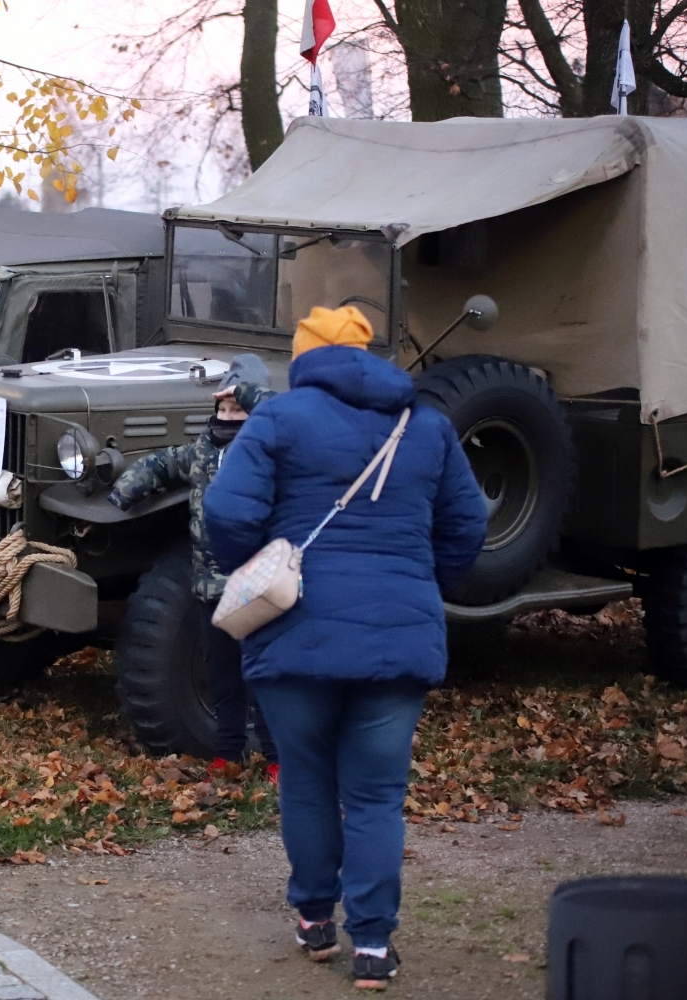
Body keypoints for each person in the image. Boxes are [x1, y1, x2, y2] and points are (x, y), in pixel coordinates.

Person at [202, 307, 486, 990]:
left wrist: (262, 560)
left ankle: (315, 920)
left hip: (295, 632)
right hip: (399, 635)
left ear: (303, 358)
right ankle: (375, 946)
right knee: (377, 795)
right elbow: (470, 522)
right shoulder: (428, 425)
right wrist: (418, 579)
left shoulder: (278, 419)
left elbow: (227, 512)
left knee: (305, 780)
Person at [107, 354, 279, 778]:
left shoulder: (271, 450)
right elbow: (163, 465)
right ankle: (229, 752)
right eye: (222, 408)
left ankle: (278, 758)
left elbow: (280, 415)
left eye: (237, 408)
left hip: (255, 586)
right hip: (209, 588)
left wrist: (249, 396)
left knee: (262, 678)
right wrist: (124, 491)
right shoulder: (203, 451)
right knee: (223, 678)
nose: (228, 415)